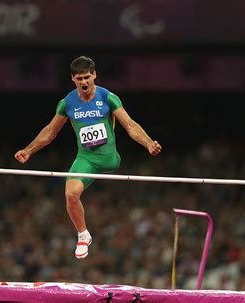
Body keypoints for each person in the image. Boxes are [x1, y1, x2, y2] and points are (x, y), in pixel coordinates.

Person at [14, 56, 161, 259]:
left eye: (87, 77)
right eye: (79, 78)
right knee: (70, 194)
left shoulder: (108, 98)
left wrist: (148, 143)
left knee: (95, 171)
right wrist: (28, 150)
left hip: (109, 159)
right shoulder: (67, 103)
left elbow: (130, 126)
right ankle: (83, 235)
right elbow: (50, 132)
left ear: (94, 75)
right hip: (86, 159)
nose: (84, 82)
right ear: (73, 79)